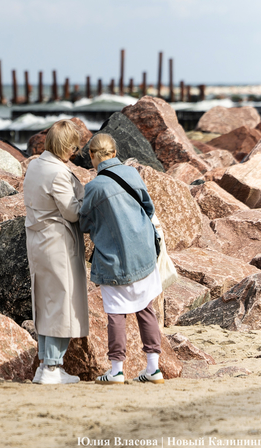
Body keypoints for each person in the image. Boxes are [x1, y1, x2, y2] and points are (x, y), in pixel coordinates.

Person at [79, 133, 165, 384]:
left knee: (116, 313)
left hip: (114, 258)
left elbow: (84, 222)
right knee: (146, 308)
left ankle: (116, 370)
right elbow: (148, 207)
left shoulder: (94, 188)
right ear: (115, 153)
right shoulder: (132, 174)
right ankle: (153, 368)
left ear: (93, 157)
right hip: (143, 253)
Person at [23, 119, 89, 385]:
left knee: (45, 300)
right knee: (62, 302)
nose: (75, 153)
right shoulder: (58, 173)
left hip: (37, 239)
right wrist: (87, 197)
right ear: (66, 147)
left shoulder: (35, 165)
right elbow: (72, 212)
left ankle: (45, 365)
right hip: (58, 243)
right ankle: (52, 366)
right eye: (74, 148)